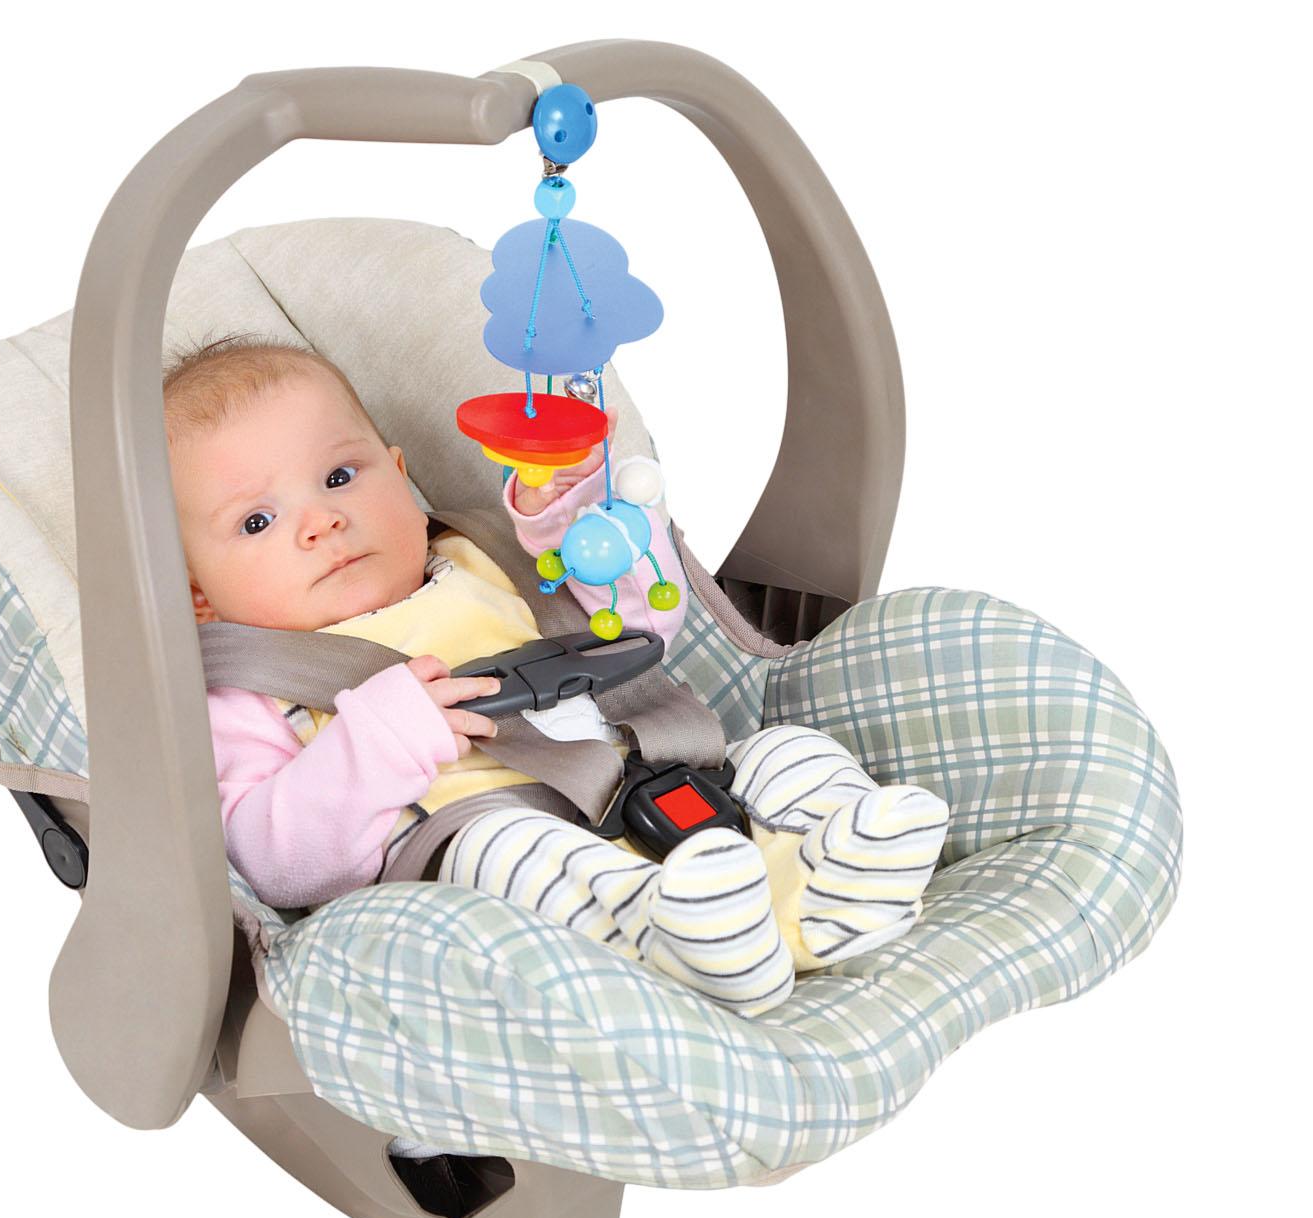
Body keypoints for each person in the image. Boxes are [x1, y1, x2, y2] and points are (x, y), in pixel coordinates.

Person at [166, 335, 950, 1024]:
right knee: (511, 850)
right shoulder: (247, 688)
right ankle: (677, 939)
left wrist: (583, 534)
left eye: (339, 476)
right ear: (197, 594)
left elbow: (638, 627)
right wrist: (378, 743)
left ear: (401, 477)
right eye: (257, 521)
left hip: (661, 778)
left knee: (786, 751)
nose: (321, 521)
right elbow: (277, 863)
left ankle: (831, 879)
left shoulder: (484, 559)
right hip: (479, 845)